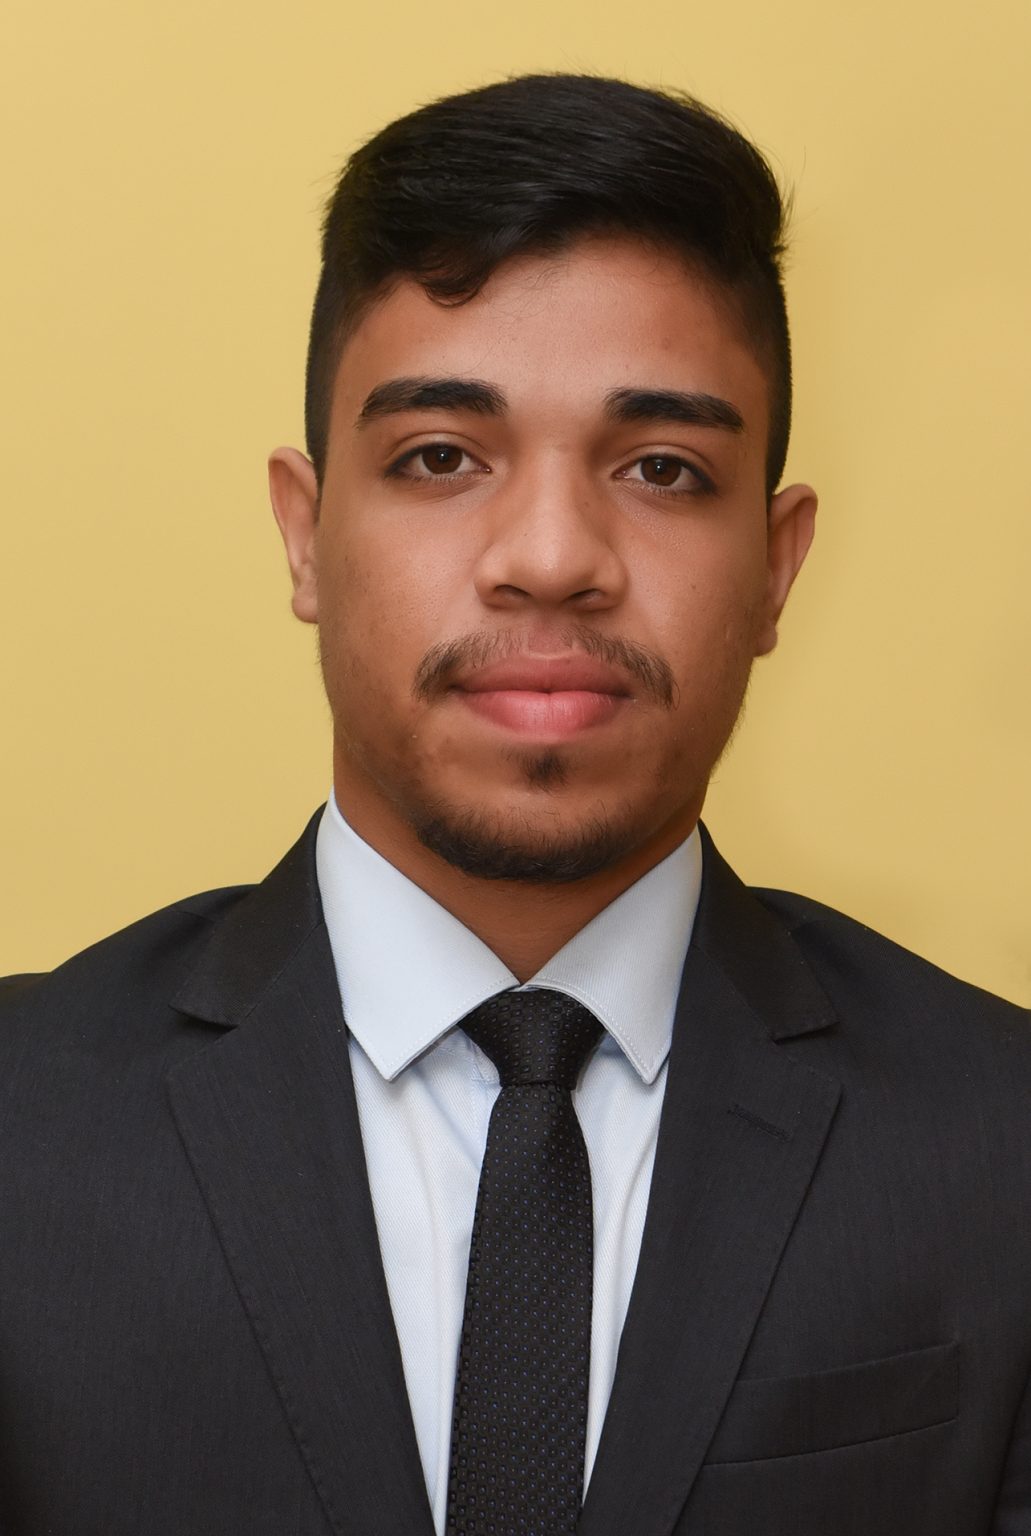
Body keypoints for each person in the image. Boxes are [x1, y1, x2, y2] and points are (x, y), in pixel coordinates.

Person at [1, 72, 1028, 1536]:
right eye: (440, 458)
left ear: (777, 564)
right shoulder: (24, 1128)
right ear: (306, 536)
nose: (551, 558)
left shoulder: (1002, 1143)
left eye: (663, 468)